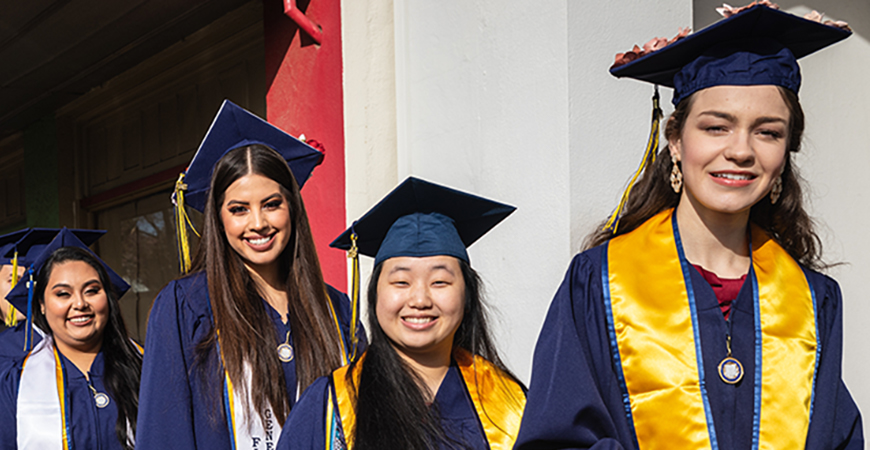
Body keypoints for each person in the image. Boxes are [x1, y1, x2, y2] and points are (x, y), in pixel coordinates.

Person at [515, 4, 863, 449]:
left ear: (785, 152)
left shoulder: (813, 300)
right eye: (716, 127)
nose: (741, 150)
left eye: (768, 132)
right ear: (676, 141)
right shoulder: (598, 283)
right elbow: (557, 440)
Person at [137, 100, 364, 450]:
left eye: (272, 204)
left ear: (292, 209)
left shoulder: (335, 310)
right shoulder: (187, 306)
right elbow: (165, 434)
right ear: (219, 218)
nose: (258, 223)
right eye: (239, 209)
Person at [277, 176, 526, 450]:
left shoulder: (510, 405)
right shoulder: (329, 405)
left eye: (439, 282)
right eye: (401, 282)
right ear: (375, 296)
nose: (420, 299)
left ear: (467, 295)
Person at [0, 228, 142, 449]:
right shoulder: (14, 383)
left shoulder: (147, 366)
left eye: (92, 291)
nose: (79, 304)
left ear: (109, 298)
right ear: (41, 305)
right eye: (63, 294)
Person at [0, 228, 105, 358]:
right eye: (13, 280)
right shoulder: (7, 351)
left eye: (90, 291)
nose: (79, 303)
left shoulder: (113, 348)